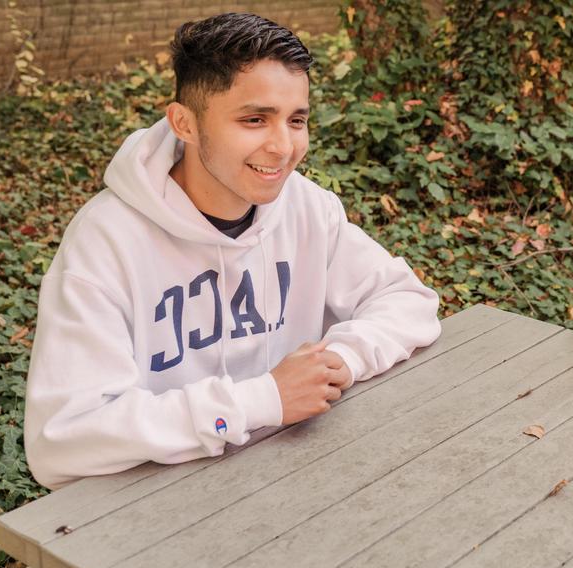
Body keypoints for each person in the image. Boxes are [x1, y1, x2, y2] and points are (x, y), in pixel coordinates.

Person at [24, 13, 440, 489]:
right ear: (185, 122)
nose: (283, 147)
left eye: (297, 120)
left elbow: (410, 301)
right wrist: (260, 400)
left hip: (299, 476)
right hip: (154, 505)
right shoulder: (105, 243)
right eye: (254, 120)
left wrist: (340, 361)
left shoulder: (306, 207)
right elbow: (61, 440)